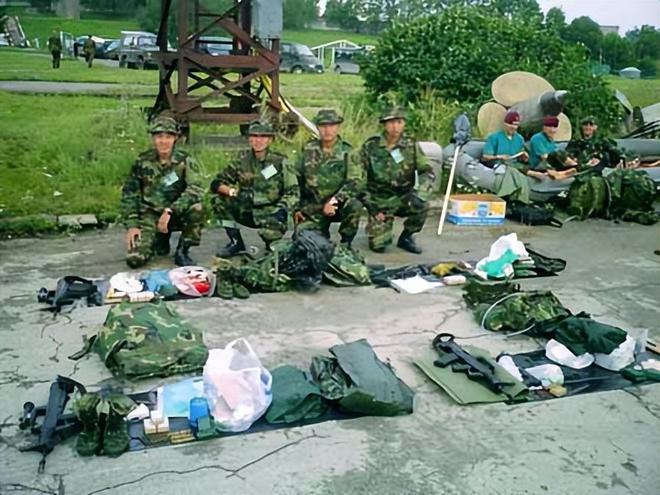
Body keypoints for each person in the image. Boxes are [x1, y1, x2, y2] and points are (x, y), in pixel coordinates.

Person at [120, 116, 205, 268]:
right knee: (134, 260)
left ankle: (183, 250)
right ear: (153, 138)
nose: (163, 141)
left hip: (176, 213)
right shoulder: (142, 161)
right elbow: (129, 195)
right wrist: (132, 225)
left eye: (168, 136)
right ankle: (160, 239)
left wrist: (170, 210)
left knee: (197, 208)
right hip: (151, 215)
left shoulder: (185, 160)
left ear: (175, 139)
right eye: (159, 136)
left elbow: (196, 188)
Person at [211, 121, 298, 257]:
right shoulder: (241, 161)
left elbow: (293, 190)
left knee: (273, 254)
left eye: (263, 137)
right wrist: (232, 192)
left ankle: (271, 243)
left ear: (270, 140)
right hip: (246, 209)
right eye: (254, 136)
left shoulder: (281, 162)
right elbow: (217, 183)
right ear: (249, 139)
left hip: (271, 212)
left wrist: (282, 208)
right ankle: (236, 242)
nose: (258, 140)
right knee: (218, 201)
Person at [360, 106, 435, 254]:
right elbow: (358, 178)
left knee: (422, 205)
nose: (395, 127)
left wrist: (420, 193)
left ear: (404, 124)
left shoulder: (410, 145)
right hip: (378, 200)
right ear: (384, 124)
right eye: (391, 123)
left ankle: (406, 237)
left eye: (399, 122)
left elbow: (426, 171)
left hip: (403, 197)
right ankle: (379, 228)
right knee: (379, 247)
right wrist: (371, 207)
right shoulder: (371, 146)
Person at [294, 109, 363, 246]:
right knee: (302, 242)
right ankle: (321, 234)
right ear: (318, 128)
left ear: (338, 127)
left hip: (339, 205)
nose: (327, 130)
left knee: (355, 205)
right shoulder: (308, 149)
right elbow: (297, 179)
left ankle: (346, 244)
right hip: (314, 205)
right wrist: (297, 207)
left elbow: (355, 182)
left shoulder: (348, 151)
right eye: (323, 126)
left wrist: (334, 201)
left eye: (331, 126)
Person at [527, 116, 578, 180]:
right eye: (549, 127)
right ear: (544, 127)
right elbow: (544, 157)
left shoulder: (551, 140)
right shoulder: (537, 138)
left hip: (550, 164)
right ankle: (574, 168)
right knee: (558, 154)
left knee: (567, 154)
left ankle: (574, 167)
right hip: (538, 166)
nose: (552, 130)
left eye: (554, 127)